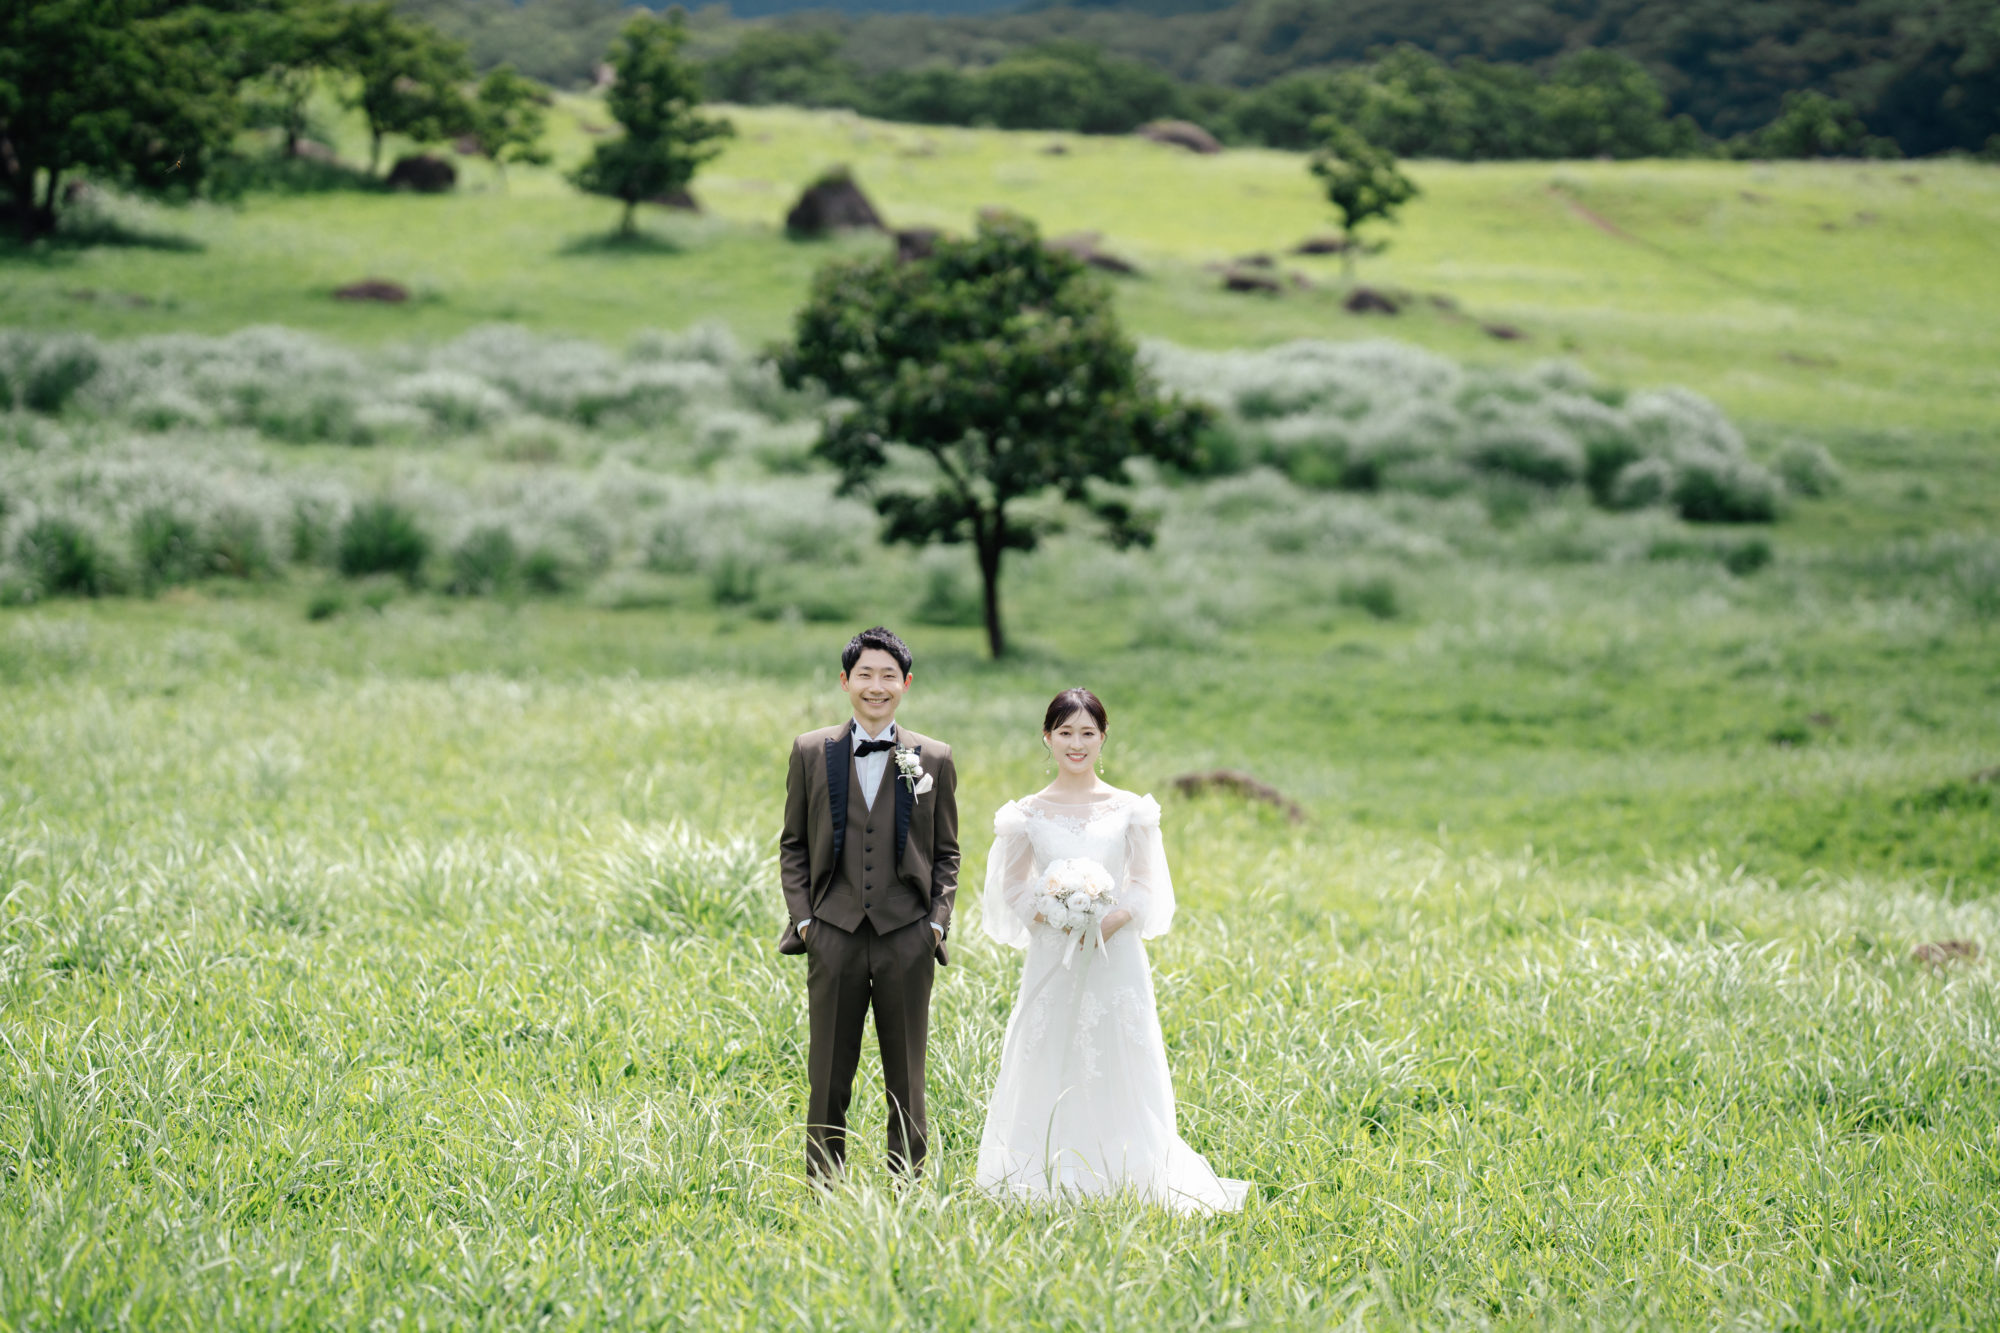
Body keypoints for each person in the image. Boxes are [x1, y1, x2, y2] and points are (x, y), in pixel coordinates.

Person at [975, 687, 1249, 1213]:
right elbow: (1012, 887)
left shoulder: (1129, 810)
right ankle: (1044, 1169)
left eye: (1087, 733)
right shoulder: (1026, 814)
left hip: (1114, 956)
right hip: (1054, 954)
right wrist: (1058, 915)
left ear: (1103, 738)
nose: (1076, 744)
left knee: (1118, 1052)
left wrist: (1106, 921)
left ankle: (1130, 1170)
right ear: (1047, 738)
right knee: (1050, 1052)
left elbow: (1144, 886)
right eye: (1065, 733)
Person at [778, 626, 960, 1181]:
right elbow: (793, 844)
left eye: (888, 676)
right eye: (865, 675)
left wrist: (935, 925)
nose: (876, 686)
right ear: (845, 681)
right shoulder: (811, 751)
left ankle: (908, 1187)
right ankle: (823, 1189)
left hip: (907, 934)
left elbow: (947, 852)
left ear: (906, 683)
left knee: (907, 1077)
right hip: (832, 932)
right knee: (828, 1074)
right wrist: (805, 921)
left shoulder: (934, 756)